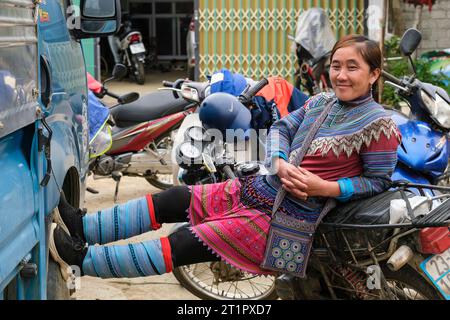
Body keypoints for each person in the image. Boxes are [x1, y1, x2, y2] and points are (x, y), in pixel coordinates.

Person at [51, 35, 402, 279]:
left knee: (185, 241)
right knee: (176, 197)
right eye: (336, 66)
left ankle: (83, 260)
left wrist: (323, 186)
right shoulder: (321, 102)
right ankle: (85, 227)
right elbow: (281, 127)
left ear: (373, 74)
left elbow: (378, 182)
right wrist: (278, 160)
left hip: (293, 222)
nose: (340, 75)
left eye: (352, 67)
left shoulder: (380, 124)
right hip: (263, 189)